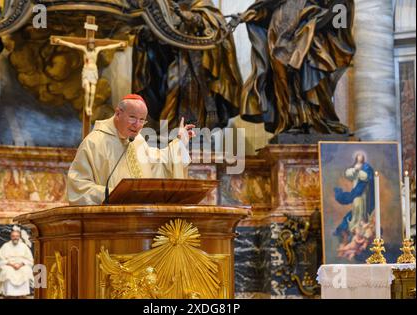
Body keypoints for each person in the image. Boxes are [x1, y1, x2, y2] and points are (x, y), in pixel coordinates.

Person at [240, 0, 356, 134]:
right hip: (279, 34)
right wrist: (251, 15)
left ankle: (320, 120)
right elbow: (266, 9)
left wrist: (323, 17)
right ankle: (291, 122)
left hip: (309, 28)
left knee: (313, 73)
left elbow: (337, 11)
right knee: (284, 83)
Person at [132, 0, 243, 130]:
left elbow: (214, 23)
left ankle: (193, 131)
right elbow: (157, 32)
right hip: (172, 59)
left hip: (198, 61)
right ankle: (170, 130)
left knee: (190, 93)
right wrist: (147, 33)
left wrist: (189, 17)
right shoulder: (164, 4)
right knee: (172, 87)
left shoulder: (201, 2)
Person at [67, 94, 196, 205]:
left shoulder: (138, 140)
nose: (137, 125)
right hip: (109, 221)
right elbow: (78, 186)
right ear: (118, 113)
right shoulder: (94, 142)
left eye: (142, 120)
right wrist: (112, 194)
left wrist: (180, 143)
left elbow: (159, 165)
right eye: (133, 118)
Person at [52, 37, 127, 116]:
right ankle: (87, 107)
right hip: (86, 72)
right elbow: (72, 45)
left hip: (93, 72)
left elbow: (108, 46)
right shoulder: (85, 50)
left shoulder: (97, 50)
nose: (91, 45)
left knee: (92, 91)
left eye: (92, 44)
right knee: (87, 90)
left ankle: (90, 107)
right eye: (90, 44)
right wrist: (61, 41)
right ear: (88, 44)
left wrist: (119, 44)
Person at [334, 152, 375, 248]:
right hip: (356, 190)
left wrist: (358, 172)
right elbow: (348, 174)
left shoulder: (367, 167)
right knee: (356, 205)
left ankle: (360, 225)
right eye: (358, 156)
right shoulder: (355, 166)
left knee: (361, 207)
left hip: (364, 192)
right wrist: (355, 170)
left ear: (363, 158)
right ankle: (355, 225)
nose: (360, 157)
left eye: (361, 156)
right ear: (356, 158)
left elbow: (367, 177)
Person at [0, 226, 34, 299]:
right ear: (11, 237)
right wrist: (11, 264)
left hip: (21, 265)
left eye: (17, 236)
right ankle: (9, 294)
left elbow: (30, 259)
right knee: (7, 271)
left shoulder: (24, 246)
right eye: (13, 236)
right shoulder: (5, 246)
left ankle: (22, 294)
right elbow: (1, 259)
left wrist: (21, 264)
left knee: (26, 270)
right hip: (9, 265)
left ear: (19, 237)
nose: (15, 238)